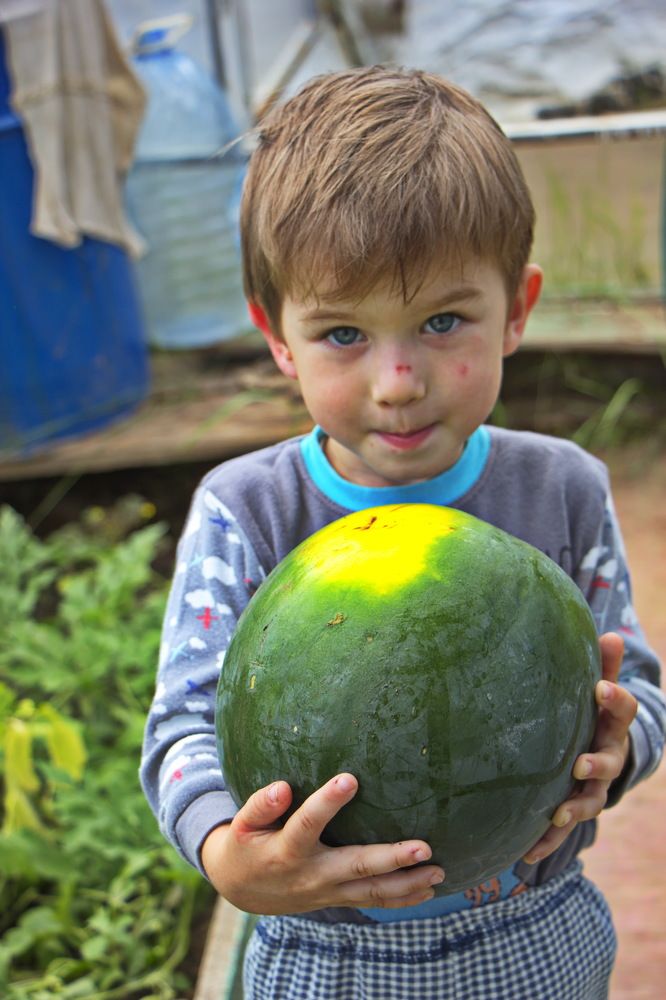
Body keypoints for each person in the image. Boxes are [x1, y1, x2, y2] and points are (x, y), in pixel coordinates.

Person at [140, 66, 665, 999]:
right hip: (325, 950)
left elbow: (636, 685)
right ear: (275, 335)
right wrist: (228, 853)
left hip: (534, 927)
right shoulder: (247, 509)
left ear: (519, 309)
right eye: (344, 334)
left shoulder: (562, 488)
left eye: (441, 321)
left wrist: (620, 751)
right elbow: (186, 724)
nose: (397, 380)